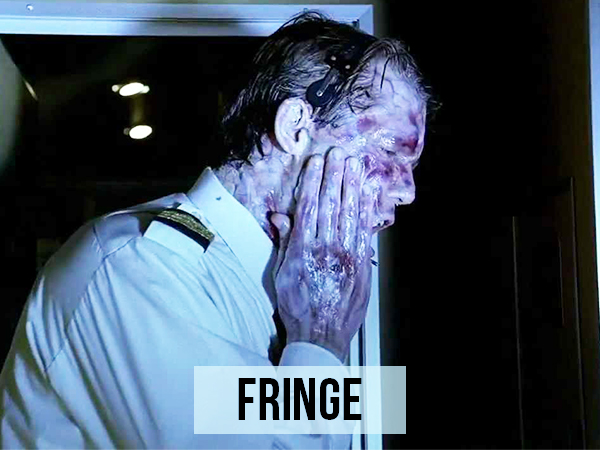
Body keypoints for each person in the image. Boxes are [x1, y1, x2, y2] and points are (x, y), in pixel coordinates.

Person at [0, 10, 428, 449]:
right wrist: (321, 339)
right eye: (391, 152)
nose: (408, 192)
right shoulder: (137, 268)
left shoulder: (290, 285)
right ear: (295, 128)